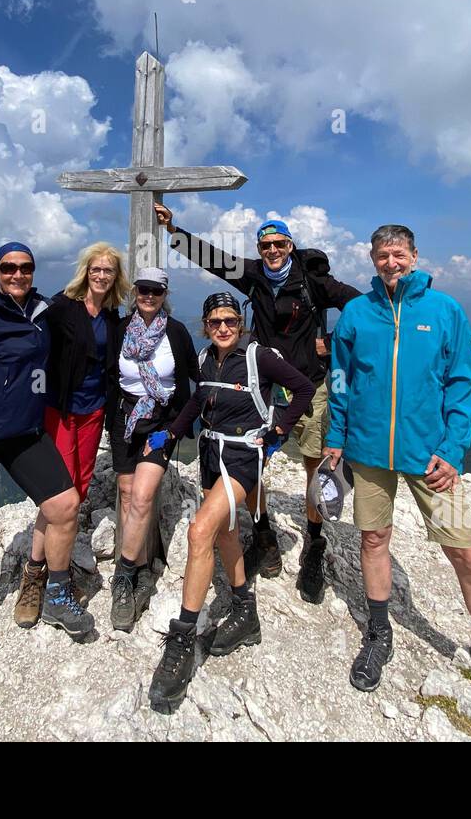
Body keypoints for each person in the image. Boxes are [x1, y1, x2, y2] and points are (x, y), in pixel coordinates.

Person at [325, 224, 471, 742]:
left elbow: (464, 380)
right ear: (371, 260)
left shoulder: (444, 311)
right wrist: (335, 434)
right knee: (373, 539)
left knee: (466, 553)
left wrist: (453, 449)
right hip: (369, 454)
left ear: (414, 257)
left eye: (398, 254)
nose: (390, 262)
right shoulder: (356, 313)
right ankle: (378, 632)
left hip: (430, 459)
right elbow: (341, 378)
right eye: (381, 255)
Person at [155, 202, 360, 601]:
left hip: (310, 386)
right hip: (264, 387)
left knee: (315, 464)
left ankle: (315, 542)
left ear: (290, 245)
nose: (271, 251)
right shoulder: (253, 276)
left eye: (279, 244)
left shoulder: (313, 280)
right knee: (254, 462)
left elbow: (362, 308)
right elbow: (214, 260)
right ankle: (264, 535)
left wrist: (333, 345)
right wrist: (173, 231)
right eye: (265, 245)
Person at [144, 293, 314, 713]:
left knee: (200, 529)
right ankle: (244, 611)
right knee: (224, 532)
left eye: (230, 320)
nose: (223, 327)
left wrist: (279, 430)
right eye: (216, 321)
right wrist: (171, 433)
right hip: (209, 454)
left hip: (242, 456)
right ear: (205, 324)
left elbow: (305, 388)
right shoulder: (205, 360)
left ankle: (181, 641)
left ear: (241, 322)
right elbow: (197, 402)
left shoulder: (260, 357)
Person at [0, 242, 94, 659]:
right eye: (9, 267)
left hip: (23, 431)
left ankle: (57, 594)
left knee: (64, 506)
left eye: (26, 267)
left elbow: (79, 310)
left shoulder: (42, 311)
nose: (18, 274)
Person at [12, 243, 129, 628]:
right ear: (85, 271)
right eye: (96, 269)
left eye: (108, 271)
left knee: (76, 493)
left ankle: (54, 570)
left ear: (115, 277)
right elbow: (28, 319)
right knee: (57, 496)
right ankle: (35, 574)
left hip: (93, 413)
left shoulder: (113, 317)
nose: (101, 275)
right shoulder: (64, 306)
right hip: (60, 412)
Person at [105, 267, 199, 631]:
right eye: (143, 289)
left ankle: (123, 577)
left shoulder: (174, 332)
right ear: (134, 292)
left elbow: (196, 374)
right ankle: (141, 566)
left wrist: (176, 430)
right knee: (128, 495)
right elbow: (109, 375)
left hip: (161, 425)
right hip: (125, 421)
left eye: (155, 291)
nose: (148, 296)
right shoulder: (119, 330)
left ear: (164, 294)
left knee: (142, 496)